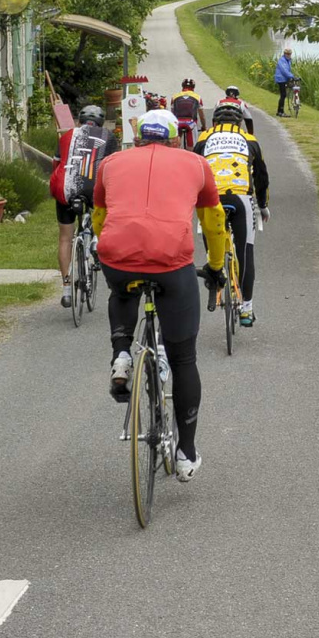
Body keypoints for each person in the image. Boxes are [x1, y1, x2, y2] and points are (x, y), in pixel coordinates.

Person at [91, 109, 226, 482]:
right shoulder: (196, 165)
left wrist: (108, 247)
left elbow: (100, 216)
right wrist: (215, 265)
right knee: (183, 359)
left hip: (118, 256)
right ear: (173, 138)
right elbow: (214, 221)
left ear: (138, 137)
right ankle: (186, 453)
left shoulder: (111, 163)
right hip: (171, 262)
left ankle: (121, 355)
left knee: (121, 290)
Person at [194, 102, 270, 326]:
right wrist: (263, 205)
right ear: (239, 123)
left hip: (211, 198)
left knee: (211, 241)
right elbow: (262, 178)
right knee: (245, 251)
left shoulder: (203, 138)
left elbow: (192, 169)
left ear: (215, 123)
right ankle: (247, 308)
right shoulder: (250, 140)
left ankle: (215, 272)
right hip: (241, 197)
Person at [51, 104, 119, 309]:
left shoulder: (67, 136)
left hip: (66, 188)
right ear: (100, 122)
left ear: (79, 121)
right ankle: (97, 240)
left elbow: (56, 165)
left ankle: (65, 288)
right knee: (104, 213)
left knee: (65, 237)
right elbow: (113, 167)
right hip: (94, 187)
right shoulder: (108, 136)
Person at [170, 77, 207, 149]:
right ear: (193, 87)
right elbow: (201, 115)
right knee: (192, 147)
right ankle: (190, 152)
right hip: (191, 123)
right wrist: (204, 126)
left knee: (175, 145)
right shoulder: (197, 97)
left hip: (178, 122)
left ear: (182, 86)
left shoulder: (174, 97)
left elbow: (172, 113)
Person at [274, 48, 298, 117]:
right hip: (281, 79)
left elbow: (288, 70)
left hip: (284, 79)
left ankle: (280, 111)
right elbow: (284, 71)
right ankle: (280, 112)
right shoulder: (282, 61)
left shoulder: (288, 61)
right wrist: (292, 76)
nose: (289, 55)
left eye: (290, 54)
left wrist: (291, 76)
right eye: (287, 54)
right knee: (283, 95)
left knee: (283, 95)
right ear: (284, 54)